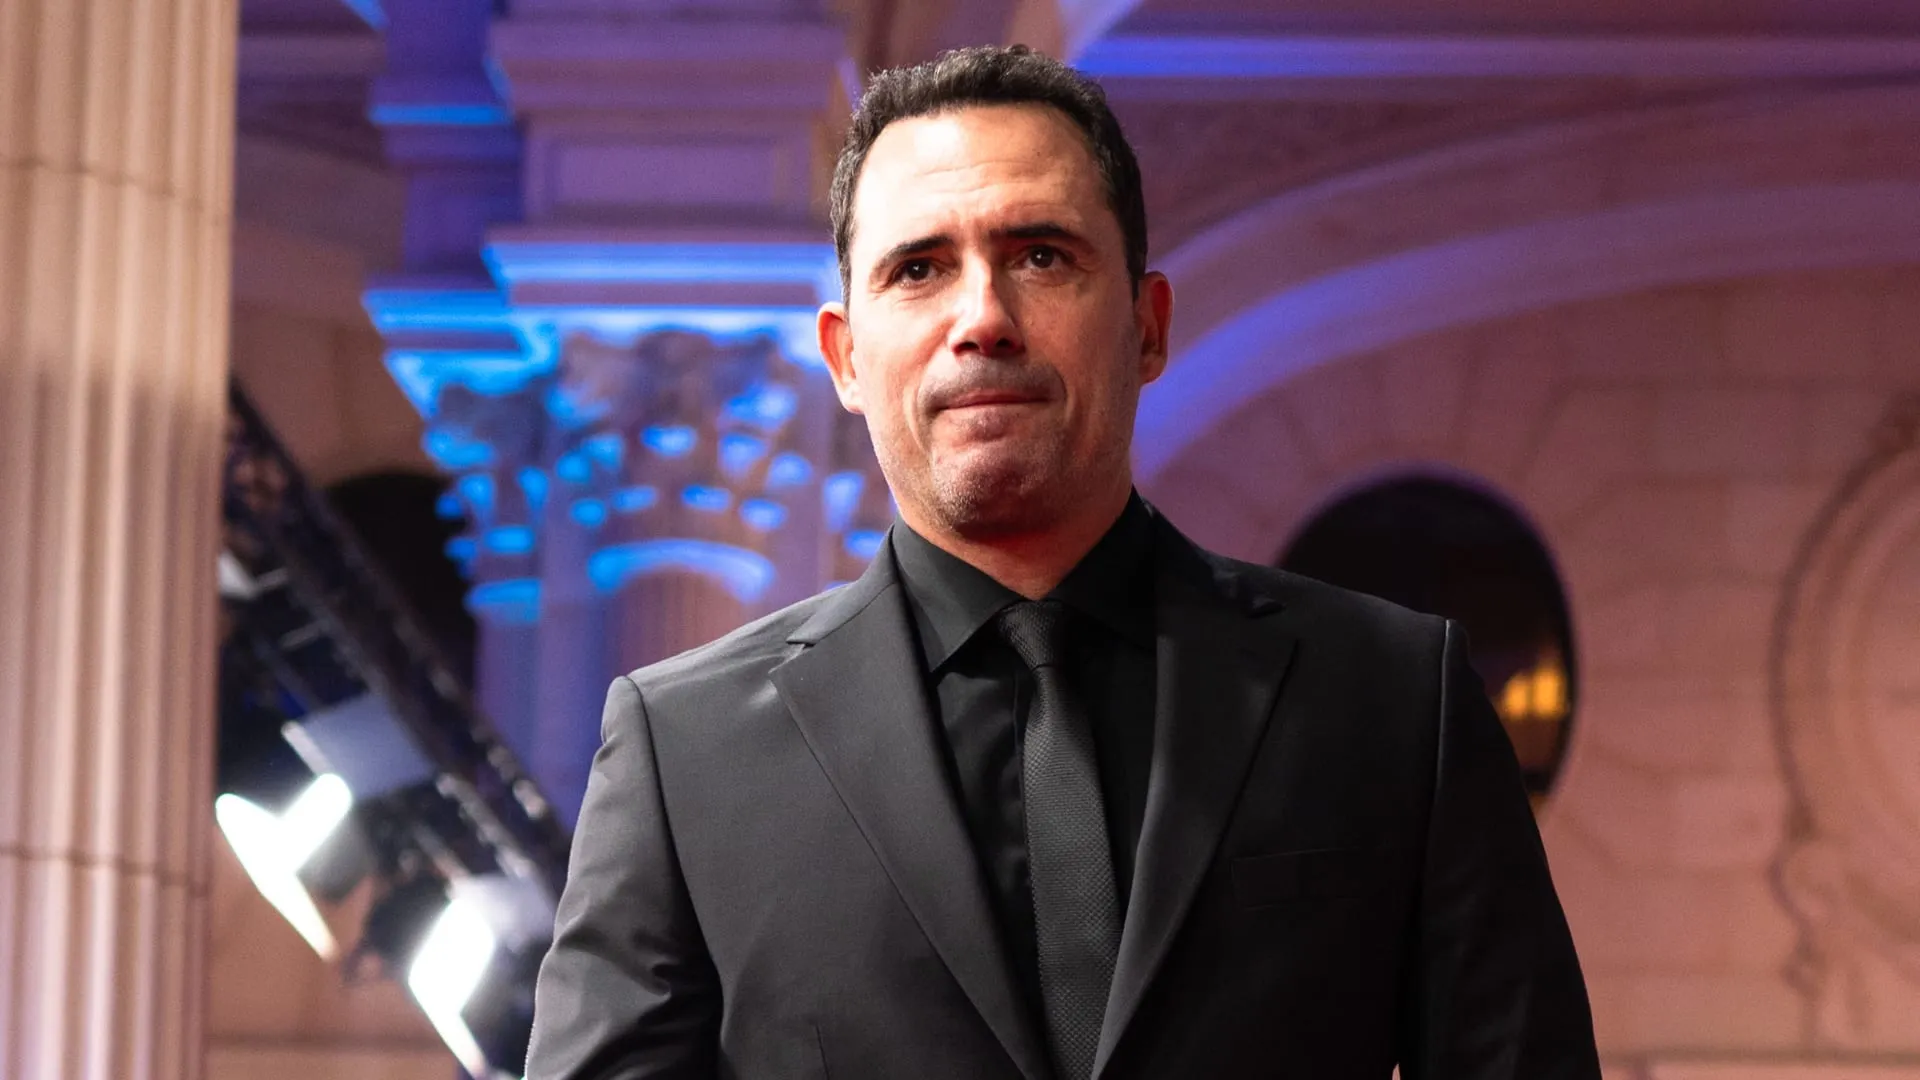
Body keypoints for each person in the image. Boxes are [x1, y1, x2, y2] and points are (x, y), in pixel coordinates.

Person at [525, 45, 1600, 1080]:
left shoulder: (1396, 699)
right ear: (845, 357)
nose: (983, 318)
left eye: (1040, 255)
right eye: (919, 269)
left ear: (1147, 325)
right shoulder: (684, 754)